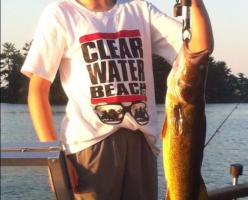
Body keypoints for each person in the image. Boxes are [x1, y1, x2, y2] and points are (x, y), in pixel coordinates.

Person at [21, 0, 213, 199]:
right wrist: (55, 156)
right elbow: (37, 90)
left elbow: (200, 49)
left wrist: (196, 4)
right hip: (89, 147)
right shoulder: (61, 14)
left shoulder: (139, 9)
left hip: (141, 142)